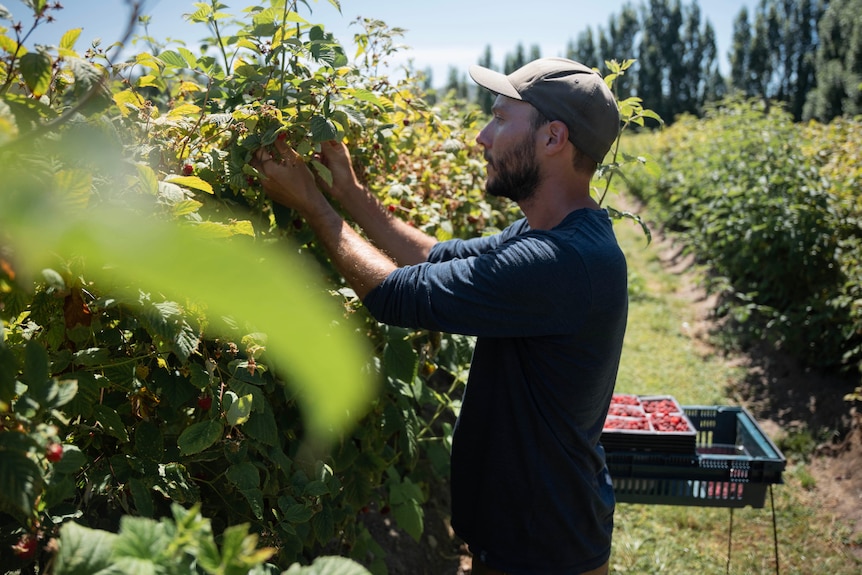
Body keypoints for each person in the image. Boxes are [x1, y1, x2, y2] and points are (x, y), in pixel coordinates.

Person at [252, 57, 626, 575]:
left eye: (499, 118)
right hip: (527, 534)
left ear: (553, 138)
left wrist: (315, 207)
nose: (481, 137)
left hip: (541, 551)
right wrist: (351, 195)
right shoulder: (551, 236)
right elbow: (435, 257)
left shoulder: (559, 263)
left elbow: (392, 294)